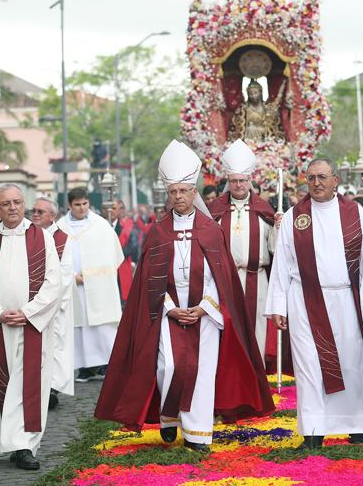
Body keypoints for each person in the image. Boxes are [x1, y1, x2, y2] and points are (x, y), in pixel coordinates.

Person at [95, 139, 274, 452]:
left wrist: (204, 308)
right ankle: (168, 416)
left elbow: (222, 278)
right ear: (168, 194)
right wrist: (170, 308)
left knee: (202, 371)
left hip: (205, 314)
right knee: (170, 368)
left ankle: (198, 434)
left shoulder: (210, 229)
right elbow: (149, 281)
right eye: (173, 191)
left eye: (183, 191)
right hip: (168, 313)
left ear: (194, 192)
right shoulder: (159, 231)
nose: (178, 196)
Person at [266, 158, 363, 449]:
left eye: (322, 177)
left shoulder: (354, 212)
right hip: (304, 299)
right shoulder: (296, 216)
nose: (316, 183)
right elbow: (282, 262)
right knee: (309, 365)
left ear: (335, 180)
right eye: (311, 178)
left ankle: (357, 424)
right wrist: (278, 304)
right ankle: (313, 429)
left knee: (352, 362)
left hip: (346, 299)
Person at [0, 184, 62, 470]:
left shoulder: (42, 238)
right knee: (3, 383)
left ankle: (24, 446)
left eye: (17, 202)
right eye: (5, 203)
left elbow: (53, 282)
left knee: (27, 386)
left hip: (31, 326)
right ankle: (9, 442)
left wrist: (29, 312)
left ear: (25, 205)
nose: (12, 207)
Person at [208, 139, 279, 363]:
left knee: (258, 326)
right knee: (229, 327)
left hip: (257, 278)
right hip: (227, 281)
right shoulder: (215, 212)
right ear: (228, 181)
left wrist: (278, 227)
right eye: (234, 181)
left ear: (250, 180)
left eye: (243, 180)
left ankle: (256, 372)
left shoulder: (264, 211)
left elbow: (274, 249)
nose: (238, 185)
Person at [54, 187, 123, 383]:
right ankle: (83, 368)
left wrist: (97, 275)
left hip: (99, 287)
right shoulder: (59, 228)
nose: (82, 208)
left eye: (85, 204)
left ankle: (105, 364)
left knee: (101, 327)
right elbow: (53, 259)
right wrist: (70, 276)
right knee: (78, 327)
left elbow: (114, 255)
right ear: (69, 205)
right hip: (71, 285)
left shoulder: (100, 225)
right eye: (77, 205)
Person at [30, 196, 75, 411]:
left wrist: (47, 300)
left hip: (54, 305)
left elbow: (65, 276)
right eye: (34, 210)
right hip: (29, 304)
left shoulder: (63, 239)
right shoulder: (27, 235)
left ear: (53, 216)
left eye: (41, 211)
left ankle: (52, 389)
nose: (36, 214)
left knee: (54, 346)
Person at [109, 199, 138, 304]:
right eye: (107, 208)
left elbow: (133, 246)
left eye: (113, 208)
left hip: (122, 268)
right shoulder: (100, 225)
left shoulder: (128, 225)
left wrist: (114, 254)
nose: (110, 211)